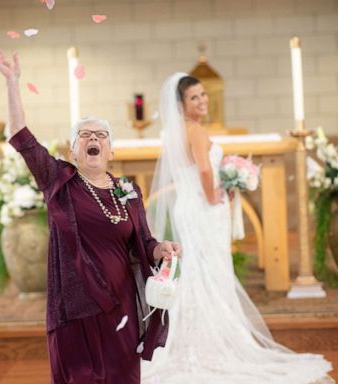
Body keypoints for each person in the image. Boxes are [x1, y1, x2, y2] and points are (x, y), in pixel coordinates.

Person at [0, 48, 181, 384]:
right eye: (85, 135)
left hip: (119, 303)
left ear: (111, 150)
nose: (93, 138)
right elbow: (21, 137)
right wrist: (12, 82)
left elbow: (144, 242)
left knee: (122, 376)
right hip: (75, 305)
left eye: (101, 135)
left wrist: (160, 248)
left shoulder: (129, 191)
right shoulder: (58, 181)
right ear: (73, 150)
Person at [142, 72, 334, 383]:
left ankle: (192, 339)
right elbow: (204, 169)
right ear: (180, 104)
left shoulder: (177, 132)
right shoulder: (198, 132)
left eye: (204, 95)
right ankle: (210, 342)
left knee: (198, 274)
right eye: (194, 97)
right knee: (212, 273)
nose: (202, 101)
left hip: (188, 208)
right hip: (204, 209)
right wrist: (215, 194)